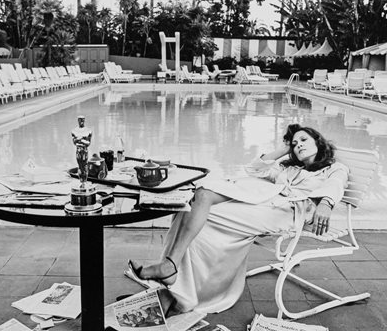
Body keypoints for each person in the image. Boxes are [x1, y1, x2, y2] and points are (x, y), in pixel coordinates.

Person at [129, 124, 349, 314]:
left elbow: (336, 184)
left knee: (201, 213)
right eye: (294, 143)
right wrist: (283, 150)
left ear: (318, 142)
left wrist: (325, 203)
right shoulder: (288, 168)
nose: (298, 145)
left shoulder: (334, 168)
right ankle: (171, 270)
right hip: (264, 205)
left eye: (303, 140)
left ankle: (176, 278)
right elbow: (253, 169)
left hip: (287, 213)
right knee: (198, 201)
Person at [71, 116, 93, 186]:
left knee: (85, 165)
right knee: (80, 166)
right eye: (80, 120)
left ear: (84, 120)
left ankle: (85, 182)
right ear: (78, 120)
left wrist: (80, 140)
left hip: (85, 150)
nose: (81, 121)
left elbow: (88, 143)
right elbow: (74, 142)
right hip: (78, 150)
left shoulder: (89, 131)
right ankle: (81, 182)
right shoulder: (74, 131)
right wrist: (82, 140)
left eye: (82, 120)